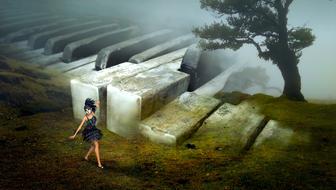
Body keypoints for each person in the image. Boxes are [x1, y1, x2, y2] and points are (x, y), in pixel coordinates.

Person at [69, 98, 104, 168]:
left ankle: (86, 157)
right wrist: (74, 135)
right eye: (86, 110)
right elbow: (80, 126)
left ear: (91, 109)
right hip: (89, 132)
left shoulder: (93, 112)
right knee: (96, 145)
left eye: (88, 110)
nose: (87, 111)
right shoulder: (85, 117)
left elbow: (96, 106)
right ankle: (99, 164)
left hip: (94, 130)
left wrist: (98, 103)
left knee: (93, 145)